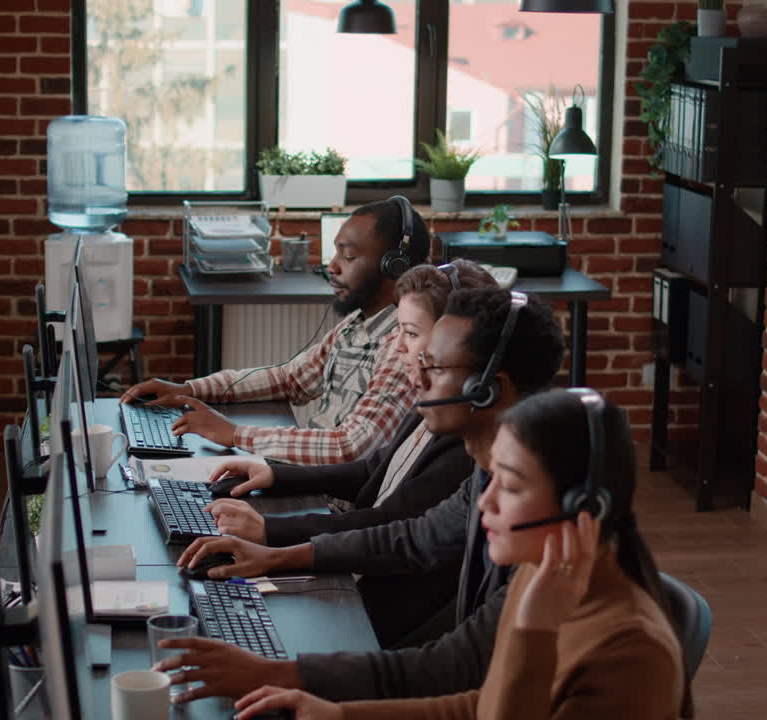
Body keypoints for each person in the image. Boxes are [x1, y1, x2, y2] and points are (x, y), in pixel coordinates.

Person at [154, 287, 567, 703]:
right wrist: (272, 556)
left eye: (435, 368)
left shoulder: (540, 516)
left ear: (488, 389)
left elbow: (457, 666)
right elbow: (411, 537)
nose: (417, 378)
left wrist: (280, 674)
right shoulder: (490, 473)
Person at [233, 390, 689, 720]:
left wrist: (533, 630)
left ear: (583, 510)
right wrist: (341, 714)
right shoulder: (542, 575)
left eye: (509, 486)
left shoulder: (633, 656)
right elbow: (480, 705)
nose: (485, 504)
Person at [205, 260, 497, 646]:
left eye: (410, 334)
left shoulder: (466, 446)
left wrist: (272, 533)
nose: (397, 349)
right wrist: (274, 473)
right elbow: (375, 470)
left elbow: (391, 527)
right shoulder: (433, 406)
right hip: (361, 577)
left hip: (380, 607)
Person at [120, 197, 431, 465]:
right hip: (309, 476)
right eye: (334, 254)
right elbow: (289, 378)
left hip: (334, 503)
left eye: (348, 256)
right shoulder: (355, 326)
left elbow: (350, 448)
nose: (332, 267)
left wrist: (235, 434)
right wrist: (190, 390)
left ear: (394, 266)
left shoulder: (401, 346)